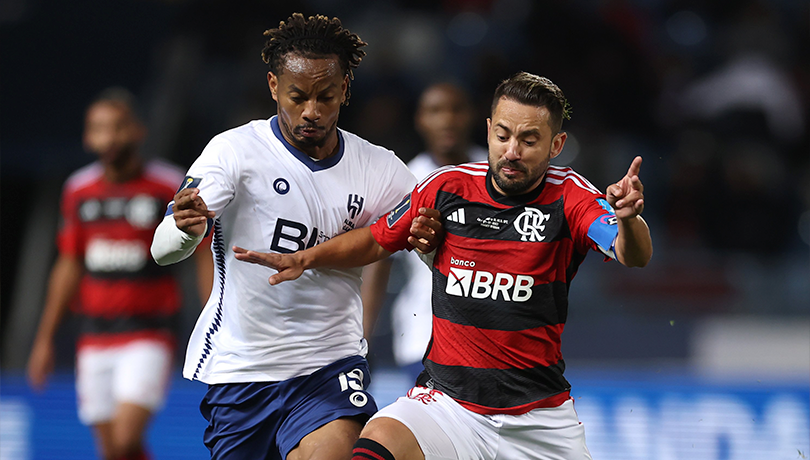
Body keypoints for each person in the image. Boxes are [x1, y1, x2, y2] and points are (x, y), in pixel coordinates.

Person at [232, 72, 653, 460]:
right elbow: (376, 239)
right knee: (376, 442)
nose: (511, 152)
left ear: (556, 145)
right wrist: (305, 258)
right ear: (488, 130)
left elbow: (631, 253)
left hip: (538, 419)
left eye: (529, 140)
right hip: (447, 405)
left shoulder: (572, 195)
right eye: (503, 135)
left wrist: (630, 219)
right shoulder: (445, 186)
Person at [149, 13, 443, 460]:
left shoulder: (379, 169)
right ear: (273, 87)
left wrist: (429, 240)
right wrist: (184, 232)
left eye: (326, 96)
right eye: (297, 96)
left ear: (345, 89)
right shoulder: (234, 152)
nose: (311, 110)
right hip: (242, 370)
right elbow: (162, 250)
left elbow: (436, 243)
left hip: (329, 365)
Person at [27, 87, 212, 460]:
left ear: (137, 131)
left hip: (149, 330)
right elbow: (69, 264)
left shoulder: (168, 184)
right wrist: (44, 338)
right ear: (87, 136)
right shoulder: (78, 190)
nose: (109, 138)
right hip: (93, 334)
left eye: (117, 127)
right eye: (99, 128)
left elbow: (204, 254)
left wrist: (213, 318)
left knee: (126, 439)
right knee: (114, 451)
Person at [361, 82, 488, 382]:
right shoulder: (405, 182)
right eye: (435, 111)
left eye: (455, 110)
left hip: (492, 337)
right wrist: (362, 339)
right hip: (425, 337)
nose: (447, 120)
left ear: (471, 116)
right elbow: (379, 259)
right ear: (420, 119)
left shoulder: (499, 173)